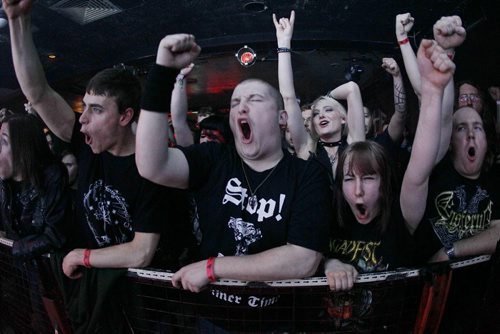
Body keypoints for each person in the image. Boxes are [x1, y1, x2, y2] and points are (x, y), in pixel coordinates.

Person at [4, 0, 191, 276]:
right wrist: (18, 22)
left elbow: (141, 251)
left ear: (125, 117)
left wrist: (83, 255)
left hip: (148, 302)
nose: (83, 118)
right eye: (85, 106)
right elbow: (38, 93)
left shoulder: (154, 168)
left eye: (97, 109)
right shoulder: (87, 148)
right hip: (99, 289)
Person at [136, 33, 332, 293]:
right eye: (236, 102)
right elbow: (152, 166)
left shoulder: (307, 175)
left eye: (255, 100)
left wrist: (212, 268)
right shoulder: (215, 159)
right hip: (213, 319)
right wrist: (162, 72)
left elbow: (303, 260)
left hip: (277, 321)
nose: (241, 107)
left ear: (282, 117)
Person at [400, 37, 500, 264]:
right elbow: (441, 122)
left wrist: (451, 251)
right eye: (461, 129)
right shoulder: (435, 175)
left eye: (478, 128)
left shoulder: (494, 179)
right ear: (450, 142)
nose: (471, 134)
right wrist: (435, 87)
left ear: (487, 139)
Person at [273, 11, 365, 181]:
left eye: (328, 110)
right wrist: (284, 43)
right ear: (313, 124)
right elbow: (288, 97)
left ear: (343, 118)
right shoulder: (307, 147)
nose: (321, 114)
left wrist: (326, 97)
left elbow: (352, 88)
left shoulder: (354, 142)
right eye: (316, 113)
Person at [324, 141, 413, 291]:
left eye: (368, 178)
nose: (358, 191)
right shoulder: (330, 214)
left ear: (384, 182)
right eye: (349, 179)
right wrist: (329, 263)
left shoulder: (400, 214)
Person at [0, 113, 70, 260]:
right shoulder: (4, 183)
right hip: (18, 273)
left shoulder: (52, 176)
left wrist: (12, 248)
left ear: (22, 148)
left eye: (4, 142)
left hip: (50, 272)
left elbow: (55, 236)